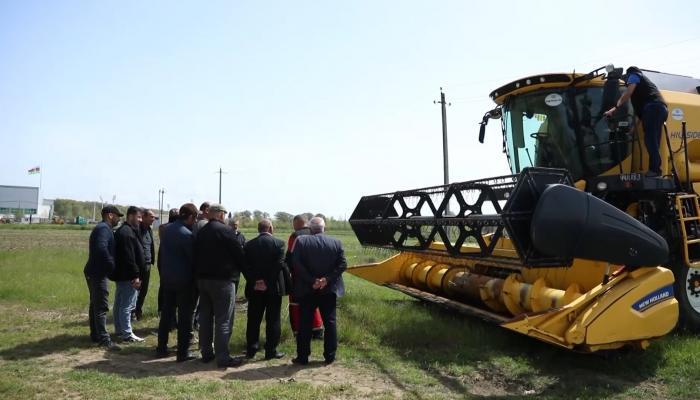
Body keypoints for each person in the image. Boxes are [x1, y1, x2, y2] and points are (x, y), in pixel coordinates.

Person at [194, 203, 246, 368]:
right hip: (223, 281)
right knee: (223, 320)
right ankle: (223, 357)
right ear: (221, 214)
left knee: (205, 318)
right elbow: (239, 254)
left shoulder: (202, 231)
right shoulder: (226, 231)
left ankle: (206, 353)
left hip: (203, 280)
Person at [291, 217, 347, 365]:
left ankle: (303, 357)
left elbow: (296, 264)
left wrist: (312, 281)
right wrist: (326, 280)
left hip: (307, 289)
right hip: (329, 289)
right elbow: (342, 265)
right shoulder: (336, 242)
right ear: (324, 228)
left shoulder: (301, 241)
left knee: (305, 323)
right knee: (330, 322)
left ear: (310, 229)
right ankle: (330, 356)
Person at [604, 66, 668, 177]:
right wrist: (633, 128)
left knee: (650, 141)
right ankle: (656, 170)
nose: (627, 82)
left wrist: (614, 108)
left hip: (653, 108)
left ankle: (655, 170)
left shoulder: (634, 75)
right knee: (654, 142)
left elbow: (628, 92)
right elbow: (642, 116)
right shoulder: (646, 88)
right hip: (659, 109)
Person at [157, 203, 199, 362]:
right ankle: (182, 352)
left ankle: (161, 348)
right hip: (184, 281)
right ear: (191, 217)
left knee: (166, 315)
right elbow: (193, 259)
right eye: (195, 218)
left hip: (167, 279)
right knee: (185, 317)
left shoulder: (166, 231)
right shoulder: (187, 235)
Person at [243, 219, 289, 360]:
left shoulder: (249, 245)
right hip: (273, 288)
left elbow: (245, 266)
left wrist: (255, 281)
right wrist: (267, 282)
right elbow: (279, 265)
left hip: (254, 288)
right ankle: (271, 351)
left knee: (253, 319)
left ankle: (251, 349)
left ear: (259, 229)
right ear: (270, 228)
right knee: (273, 319)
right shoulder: (279, 243)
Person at [84, 205, 123, 351]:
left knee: (95, 304)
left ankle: (96, 335)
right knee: (101, 306)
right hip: (98, 273)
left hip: (94, 271)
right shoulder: (103, 229)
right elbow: (101, 248)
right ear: (110, 215)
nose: (119, 219)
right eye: (117, 216)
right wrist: (111, 264)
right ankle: (104, 340)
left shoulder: (103, 228)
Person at [286, 215, 324, 340]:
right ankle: (317, 330)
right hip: (317, 277)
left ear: (295, 224)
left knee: (296, 303)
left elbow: (290, 258)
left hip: (299, 277)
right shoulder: (316, 233)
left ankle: (299, 331)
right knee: (314, 303)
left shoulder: (295, 236)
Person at [113, 206, 145, 342]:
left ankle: (120, 330)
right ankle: (126, 334)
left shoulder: (126, 231)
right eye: (138, 217)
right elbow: (129, 257)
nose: (140, 220)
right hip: (128, 276)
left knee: (120, 304)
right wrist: (135, 275)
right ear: (131, 216)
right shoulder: (126, 233)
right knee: (126, 305)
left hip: (123, 275)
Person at [134, 209, 157, 321]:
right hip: (138, 265)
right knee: (135, 290)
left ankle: (138, 311)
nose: (153, 219)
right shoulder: (136, 229)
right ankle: (132, 312)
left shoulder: (149, 230)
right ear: (144, 217)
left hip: (147, 265)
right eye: (151, 217)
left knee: (144, 290)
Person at [157, 208, 180, 324]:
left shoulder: (163, 227)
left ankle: (164, 312)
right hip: (170, 258)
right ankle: (169, 316)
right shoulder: (167, 227)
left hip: (164, 257)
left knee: (164, 286)